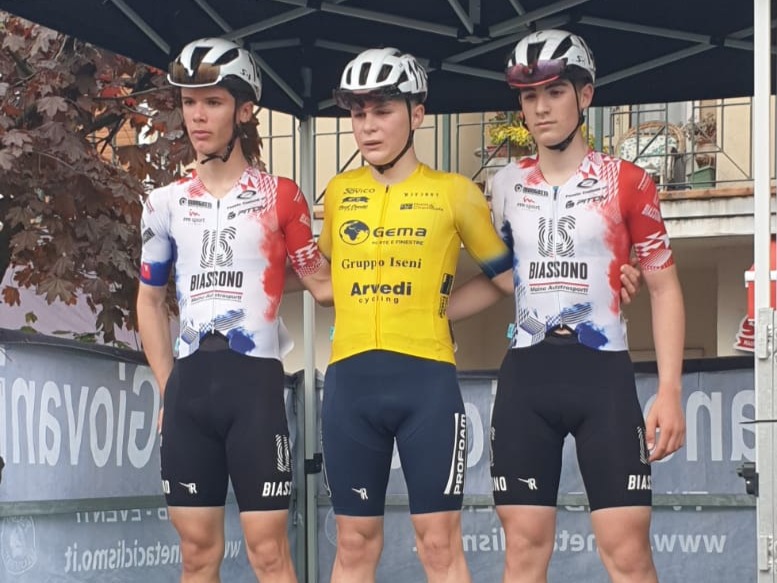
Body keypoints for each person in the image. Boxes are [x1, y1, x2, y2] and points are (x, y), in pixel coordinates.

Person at [448, 29, 686, 583]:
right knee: (523, 552)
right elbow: (504, 280)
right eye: (529, 96)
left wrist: (670, 391)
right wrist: (430, 311)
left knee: (627, 553)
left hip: (602, 375)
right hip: (527, 376)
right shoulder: (506, 185)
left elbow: (665, 288)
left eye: (554, 92)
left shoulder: (629, 182)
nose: (540, 108)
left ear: (585, 95)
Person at [136, 37, 330, 583]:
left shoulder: (281, 195)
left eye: (213, 102)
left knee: (269, 554)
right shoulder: (164, 203)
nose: (198, 115)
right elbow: (149, 299)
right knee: (197, 557)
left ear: (244, 110)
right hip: (190, 388)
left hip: (254, 390)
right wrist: (167, 385)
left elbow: (321, 283)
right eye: (189, 102)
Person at [317, 47, 514, 583]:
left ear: (418, 114)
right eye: (358, 113)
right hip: (349, 382)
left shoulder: (455, 192)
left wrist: (438, 310)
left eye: (382, 111)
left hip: (426, 382)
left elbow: (505, 280)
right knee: (352, 543)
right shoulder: (339, 193)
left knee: (438, 544)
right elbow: (325, 283)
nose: (367, 126)